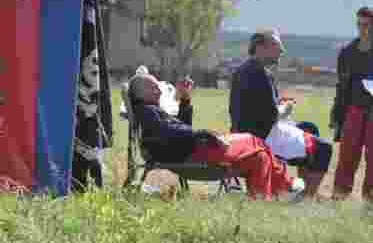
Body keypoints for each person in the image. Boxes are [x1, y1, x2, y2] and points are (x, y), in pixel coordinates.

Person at [129, 69, 303, 198]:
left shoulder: (149, 111)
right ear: (141, 92)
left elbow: (179, 129)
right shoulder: (146, 111)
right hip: (196, 152)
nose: (159, 90)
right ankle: (283, 185)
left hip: (193, 150)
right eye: (154, 88)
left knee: (259, 157)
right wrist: (203, 134)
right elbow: (168, 131)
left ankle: (265, 198)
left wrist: (185, 99)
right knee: (254, 141)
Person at [229, 29, 332, 195]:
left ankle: (300, 190)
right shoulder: (261, 73)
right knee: (324, 148)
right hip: (262, 138)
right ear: (260, 47)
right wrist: (287, 107)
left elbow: (258, 108)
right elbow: (273, 115)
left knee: (309, 128)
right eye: (277, 46)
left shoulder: (242, 70)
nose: (281, 51)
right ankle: (306, 199)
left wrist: (279, 105)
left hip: (243, 133)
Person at [330, 7, 373, 202]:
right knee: (347, 157)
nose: (361, 29)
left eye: (366, 25)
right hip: (354, 109)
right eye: (359, 25)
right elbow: (342, 86)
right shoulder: (348, 52)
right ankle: (339, 196)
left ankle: (370, 202)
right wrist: (337, 114)